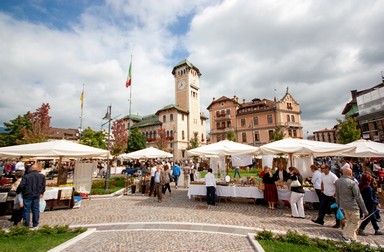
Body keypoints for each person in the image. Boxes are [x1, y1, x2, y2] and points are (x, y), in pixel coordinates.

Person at [335, 167, 368, 242]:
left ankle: (352, 238)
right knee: (355, 222)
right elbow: (358, 197)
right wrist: (364, 210)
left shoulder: (337, 181)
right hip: (352, 206)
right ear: (350, 173)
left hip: (343, 205)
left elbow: (337, 194)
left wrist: (338, 205)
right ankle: (345, 236)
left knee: (349, 221)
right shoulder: (352, 183)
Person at [16, 163, 45, 229]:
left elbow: (21, 186)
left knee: (26, 210)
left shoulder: (26, 176)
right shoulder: (41, 176)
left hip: (27, 194)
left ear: (31, 169)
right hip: (36, 194)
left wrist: (17, 191)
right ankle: (35, 224)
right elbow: (43, 186)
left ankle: (26, 224)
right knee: (35, 209)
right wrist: (42, 192)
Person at [312, 164, 340, 228]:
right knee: (322, 207)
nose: (321, 169)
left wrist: (336, 192)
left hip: (332, 194)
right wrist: (322, 188)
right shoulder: (322, 175)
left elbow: (338, 185)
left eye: (323, 168)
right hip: (325, 193)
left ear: (327, 168)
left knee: (335, 209)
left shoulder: (333, 176)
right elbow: (322, 182)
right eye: (321, 168)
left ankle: (338, 222)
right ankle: (320, 219)